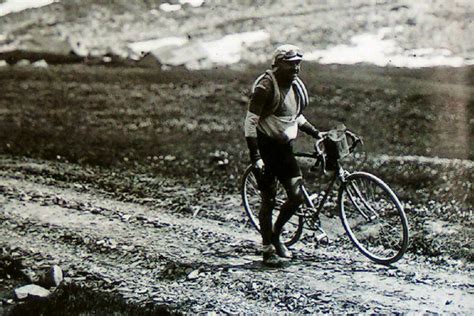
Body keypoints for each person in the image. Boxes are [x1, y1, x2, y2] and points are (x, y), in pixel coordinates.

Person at [244, 44, 321, 266]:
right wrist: (255, 156)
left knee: (296, 196)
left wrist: (317, 133)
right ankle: (267, 248)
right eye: (290, 64)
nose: (296, 68)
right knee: (268, 198)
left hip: (284, 147)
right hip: (266, 147)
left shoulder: (295, 86)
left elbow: (295, 116)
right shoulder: (266, 87)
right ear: (277, 64)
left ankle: (277, 236)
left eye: (298, 63)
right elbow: (250, 122)